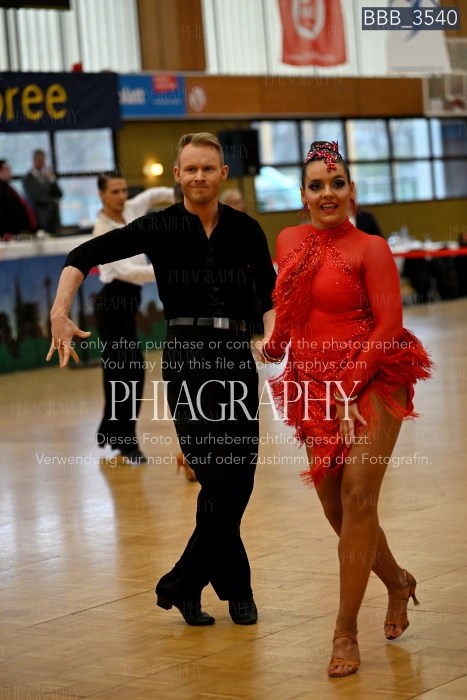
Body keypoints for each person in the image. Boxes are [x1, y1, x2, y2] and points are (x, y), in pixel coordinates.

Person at [46, 132, 277, 627]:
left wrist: (273, 335)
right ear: (177, 175)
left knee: (239, 480)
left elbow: (269, 295)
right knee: (216, 478)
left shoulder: (246, 229)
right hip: (188, 358)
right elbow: (83, 255)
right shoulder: (159, 226)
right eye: (190, 169)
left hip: (236, 358)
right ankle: (237, 590)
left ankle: (183, 585)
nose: (199, 176)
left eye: (208, 168)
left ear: (222, 173)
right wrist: (60, 311)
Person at [257, 141, 432, 678]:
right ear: (303, 195)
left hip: (374, 376)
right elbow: (288, 306)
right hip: (313, 384)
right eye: (317, 186)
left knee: (358, 496)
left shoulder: (371, 248)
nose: (327, 193)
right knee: (335, 508)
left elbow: (388, 324)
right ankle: (398, 581)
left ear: (351, 190)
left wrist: (350, 385)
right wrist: (274, 342)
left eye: (337, 184)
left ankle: (345, 630)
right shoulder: (288, 240)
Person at [92, 171, 175, 464]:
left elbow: (153, 195)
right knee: (129, 369)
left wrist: (182, 194)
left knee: (119, 370)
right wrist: (165, 269)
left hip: (127, 305)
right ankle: (126, 441)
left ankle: (111, 431)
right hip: (112, 304)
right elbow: (127, 272)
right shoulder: (102, 229)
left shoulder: (131, 208)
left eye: (124, 190)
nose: (121, 196)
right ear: (101, 195)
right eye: (114, 192)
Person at [22, 149, 63, 234]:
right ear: (35, 160)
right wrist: (53, 201)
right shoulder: (28, 178)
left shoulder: (47, 176)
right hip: (39, 219)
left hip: (53, 219)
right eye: (41, 160)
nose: (43, 163)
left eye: (44, 160)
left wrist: (52, 180)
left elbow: (60, 194)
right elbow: (36, 198)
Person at [0, 159, 37, 239]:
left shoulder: (8, 188)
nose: (10, 172)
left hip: (22, 232)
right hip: (10, 234)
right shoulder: (2, 190)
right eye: (7, 169)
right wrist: (4, 232)